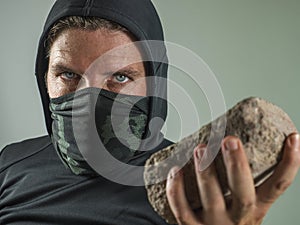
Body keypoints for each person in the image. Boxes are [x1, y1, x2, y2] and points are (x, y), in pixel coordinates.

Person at [0, 0, 299, 225]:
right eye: (68, 75)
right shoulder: (8, 166)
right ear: (44, 77)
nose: (87, 99)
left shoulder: (196, 187)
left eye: (119, 77)